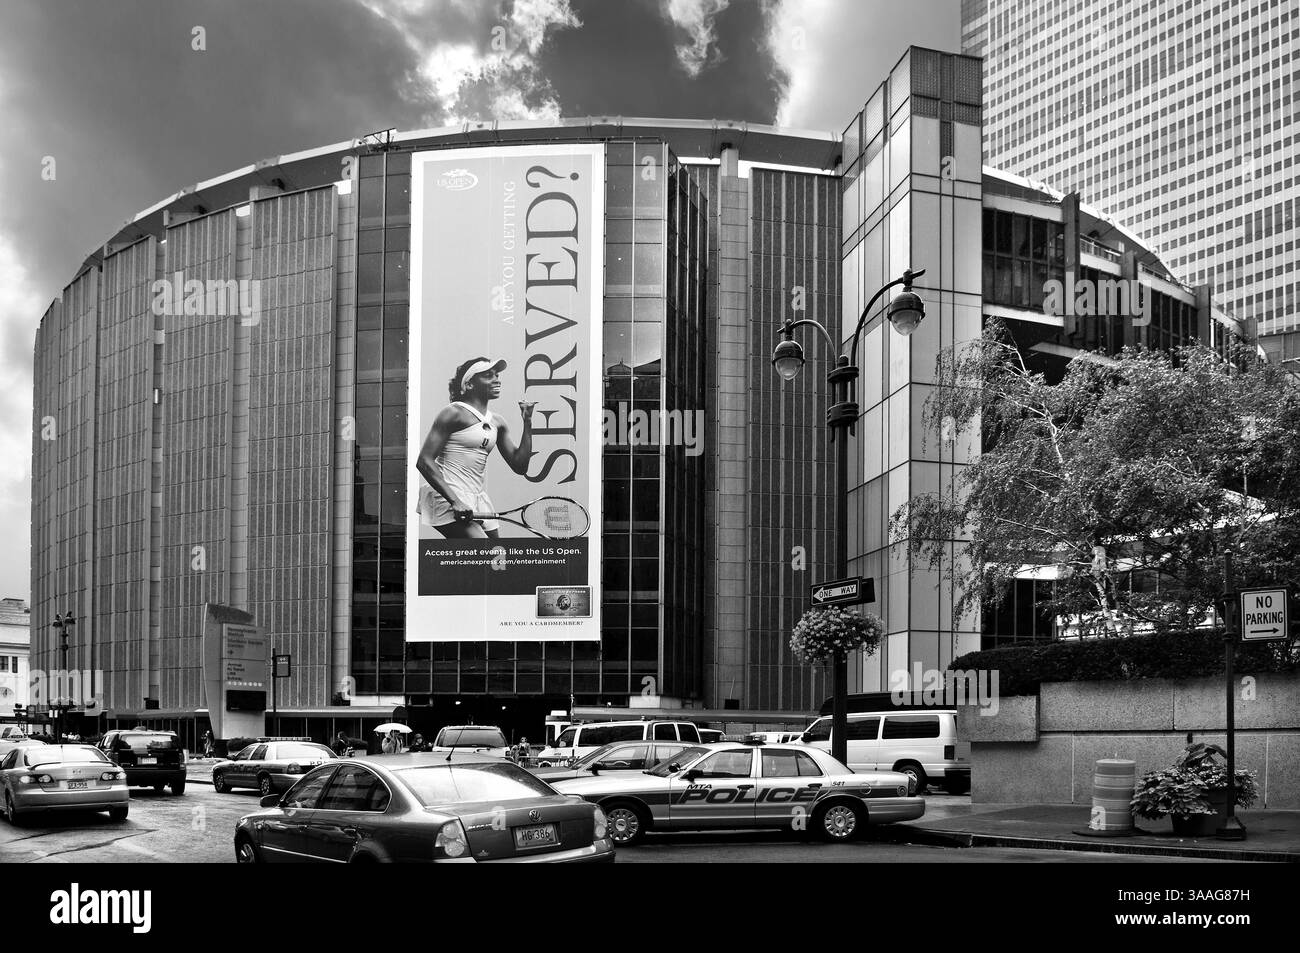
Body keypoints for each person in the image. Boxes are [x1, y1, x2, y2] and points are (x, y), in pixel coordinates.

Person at [415, 357, 535, 539]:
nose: (496, 379)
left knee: (498, 562)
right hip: (447, 495)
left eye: (496, 375)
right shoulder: (453, 413)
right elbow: (424, 461)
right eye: (488, 375)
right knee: (486, 555)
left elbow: (520, 466)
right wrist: (455, 501)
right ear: (469, 385)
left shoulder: (498, 422)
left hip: (477, 497)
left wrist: (527, 421)